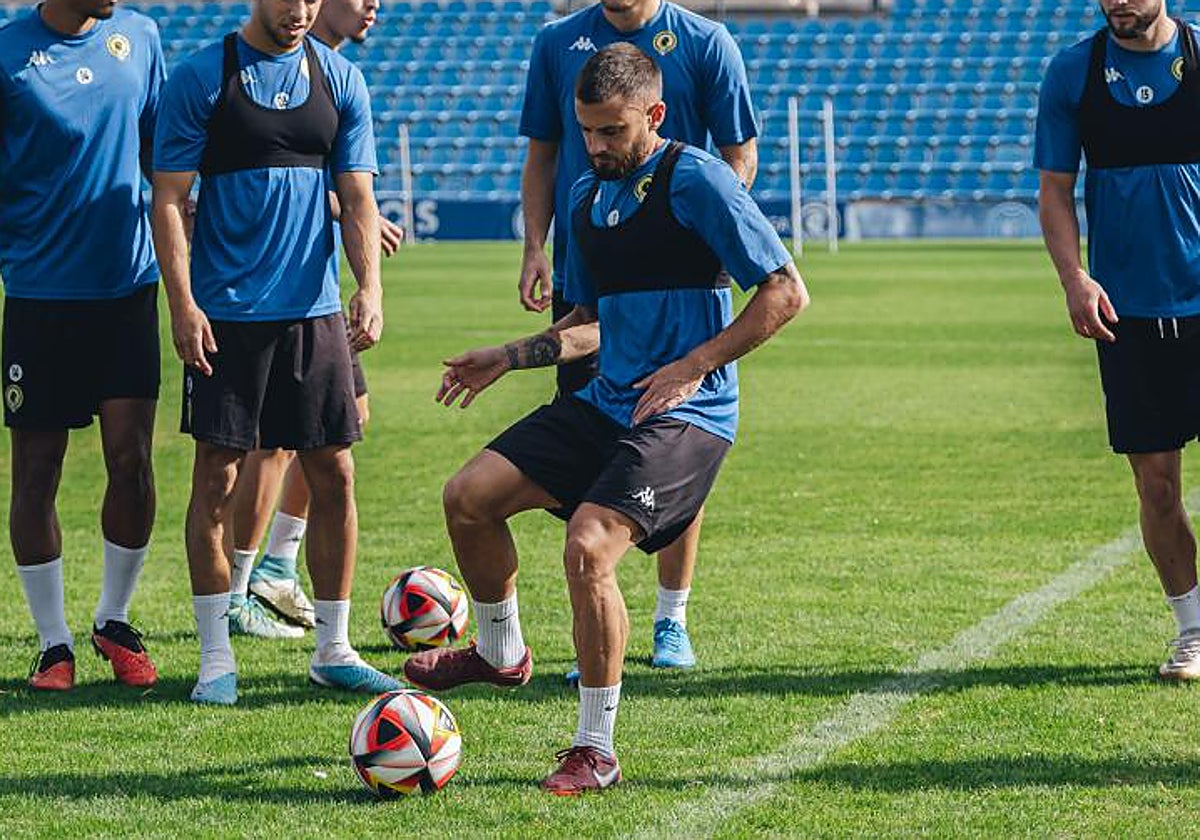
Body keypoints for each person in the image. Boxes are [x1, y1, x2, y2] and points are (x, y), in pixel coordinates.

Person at [405, 44, 808, 793]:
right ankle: (500, 655)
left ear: (653, 116)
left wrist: (694, 365)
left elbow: (785, 292)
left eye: (612, 131)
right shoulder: (590, 197)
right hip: (607, 401)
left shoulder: (697, 180)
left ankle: (596, 747)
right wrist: (510, 355)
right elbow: (591, 322)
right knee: (468, 497)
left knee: (589, 547)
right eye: (586, 131)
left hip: (690, 414)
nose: (594, 146)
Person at [151, 0, 399, 705]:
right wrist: (183, 303)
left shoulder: (341, 79)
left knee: (336, 475)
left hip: (314, 316)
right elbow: (168, 197)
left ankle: (333, 648)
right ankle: (214, 658)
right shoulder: (203, 77)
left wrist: (370, 287)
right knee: (217, 481)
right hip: (226, 318)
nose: (300, 11)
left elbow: (357, 198)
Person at [518, 0, 760, 680]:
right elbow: (544, 151)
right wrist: (535, 246)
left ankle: (671, 618)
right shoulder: (557, 42)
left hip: (674, 280)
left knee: (673, 432)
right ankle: (601, 636)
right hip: (590, 272)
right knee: (594, 447)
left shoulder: (707, 43)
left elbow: (739, 151)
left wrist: (691, 230)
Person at [223, 0, 405, 640]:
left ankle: (276, 562)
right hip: (268, 287)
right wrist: (342, 207)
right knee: (274, 442)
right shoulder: (266, 64)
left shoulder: (335, 72)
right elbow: (272, 166)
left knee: (345, 421)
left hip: (316, 289)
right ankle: (246, 583)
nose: (373, 6)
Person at [0, 0, 165, 691]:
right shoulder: (7, 52)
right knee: (37, 472)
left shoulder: (141, 37)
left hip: (127, 290)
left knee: (130, 460)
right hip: (39, 296)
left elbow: (166, 159)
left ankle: (113, 620)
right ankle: (52, 644)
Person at [1038, 0, 1200, 680]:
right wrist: (1075, 278)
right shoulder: (1074, 72)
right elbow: (1054, 191)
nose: (1119, 3)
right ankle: (1193, 633)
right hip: (1127, 318)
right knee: (1157, 487)